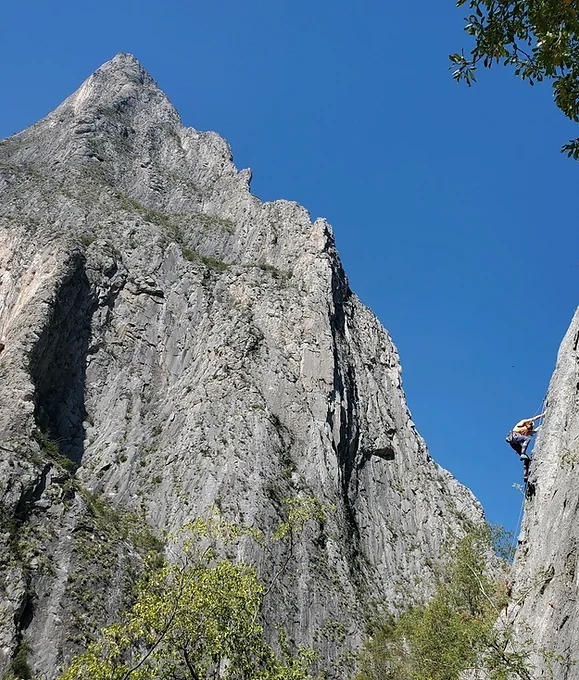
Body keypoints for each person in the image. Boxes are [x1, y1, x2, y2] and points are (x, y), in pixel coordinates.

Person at [506, 413, 544, 482]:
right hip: (514, 436)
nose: (530, 428)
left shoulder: (526, 431)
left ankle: (525, 476)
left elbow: (535, 431)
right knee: (527, 439)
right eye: (530, 426)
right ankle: (523, 453)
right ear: (529, 424)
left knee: (526, 459)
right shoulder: (522, 423)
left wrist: (542, 425)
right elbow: (534, 419)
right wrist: (542, 415)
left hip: (513, 443)